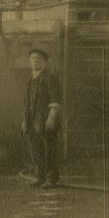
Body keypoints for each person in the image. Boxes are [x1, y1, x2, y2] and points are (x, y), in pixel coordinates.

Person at [22, 48, 62, 187]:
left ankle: (51, 179)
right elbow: (27, 102)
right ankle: (40, 177)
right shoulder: (31, 78)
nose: (35, 61)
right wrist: (25, 120)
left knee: (49, 149)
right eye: (33, 59)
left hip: (46, 120)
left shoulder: (50, 77)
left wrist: (51, 118)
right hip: (32, 121)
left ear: (44, 62)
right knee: (36, 149)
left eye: (38, 59)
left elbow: (55, 99)